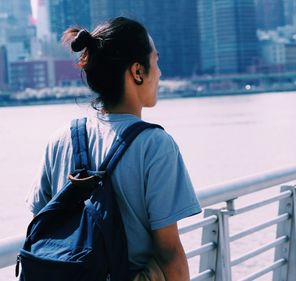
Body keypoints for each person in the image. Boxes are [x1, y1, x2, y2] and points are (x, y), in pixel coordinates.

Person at [25, 17, 202, 281]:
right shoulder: (155, 145)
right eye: (156, 61)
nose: (161, 73)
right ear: (137, 72)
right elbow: (169, 253)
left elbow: (42, 221)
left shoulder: (59, 140)